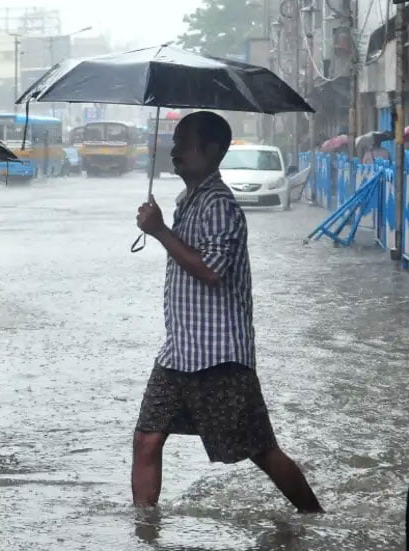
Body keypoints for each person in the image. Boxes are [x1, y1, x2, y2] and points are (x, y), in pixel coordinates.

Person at [132, 111, 323, 513]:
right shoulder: (191, 201)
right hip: (179, 353)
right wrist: (162, 227)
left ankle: (313, 517)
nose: (175, 150)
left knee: (260, 450)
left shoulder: (219, 205)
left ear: (212, 150)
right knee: (147, 439)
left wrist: (161, 232)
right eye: (175, 141)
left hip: (218, 357)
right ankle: (143, 529)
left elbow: (210, 271)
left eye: (184, 142)